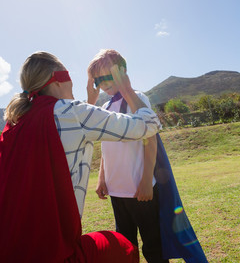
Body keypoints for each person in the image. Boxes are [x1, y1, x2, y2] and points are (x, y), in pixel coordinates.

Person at [0, 51, 161, 263]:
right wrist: (126, 88)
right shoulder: (74, 112)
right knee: (123, 246)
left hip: (12, 248)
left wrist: (90, 101)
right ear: (58, 80)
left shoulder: (14, 124)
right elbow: (149, 125)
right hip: (55, 252)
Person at [87, 49, 209, 263]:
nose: (103, 83)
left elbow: (150, 140)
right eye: (98, 79)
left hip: (139, 189)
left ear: (122, 73)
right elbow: (106, 146)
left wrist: (145, 182)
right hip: (117, 191)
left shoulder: (138, 99)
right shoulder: (104, 107)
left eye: (108, 76)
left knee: (153, 246)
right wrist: (101, 177)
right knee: (125, 246)